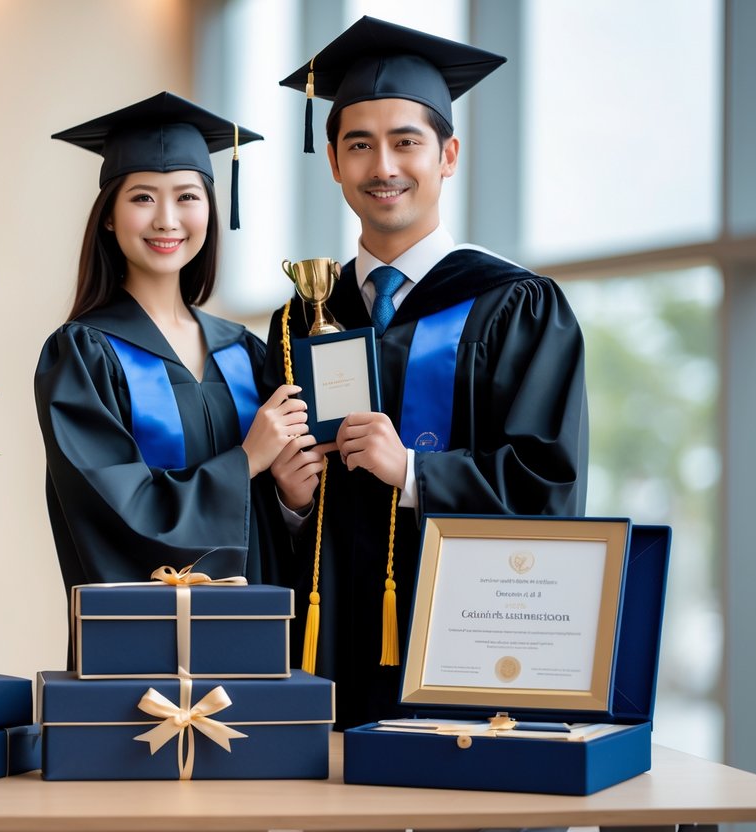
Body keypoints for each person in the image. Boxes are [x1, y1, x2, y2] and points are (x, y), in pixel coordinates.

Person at [263, 17, 589, 729]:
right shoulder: (301, 318)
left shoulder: (515, 307)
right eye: (359, 145)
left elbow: (549, 487)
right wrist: (286, 503)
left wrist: (412, 471)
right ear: (332, 162)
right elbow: (272, 513)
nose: (382, 167)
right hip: (325, 661)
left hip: (466, 655)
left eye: (405, 142)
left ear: (447, 155)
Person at [36, 91, 308, 600]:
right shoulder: (83, 356)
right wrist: (245, 462)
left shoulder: (245, 352)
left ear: (209, 208)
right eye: (143, 197)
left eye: (187, 196)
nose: (167, 219)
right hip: (145, 649)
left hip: (258, 639)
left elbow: (277, 528)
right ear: (110, 216)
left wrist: (292, 500)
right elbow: (112, 514)